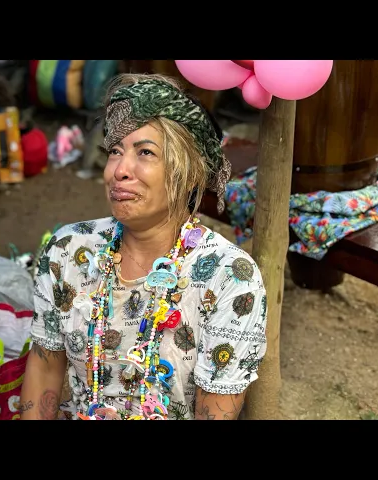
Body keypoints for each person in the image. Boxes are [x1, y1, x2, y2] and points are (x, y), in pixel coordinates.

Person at [20, 74, 268, 420]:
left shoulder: (229, 278)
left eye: (145, 152)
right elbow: (45, 369)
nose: (119, 170)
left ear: (189, 173)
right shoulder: (67, 251)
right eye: (115, 151)